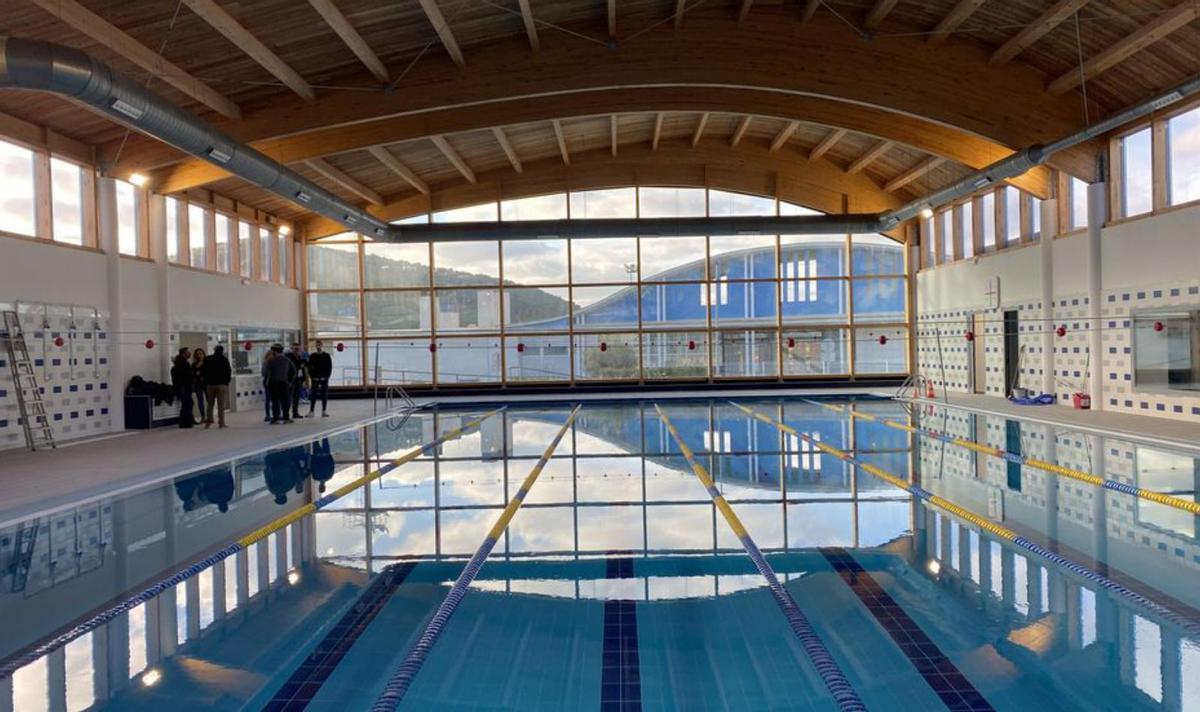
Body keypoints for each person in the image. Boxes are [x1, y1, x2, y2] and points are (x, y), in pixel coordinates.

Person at [264, 343, 296, 424]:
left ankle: (276, 419)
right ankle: (286, 418)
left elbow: (266, 372)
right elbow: (293, 371)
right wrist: (289, 381)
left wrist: (267, 382)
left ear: (274, 351)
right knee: (285, 401)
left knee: (275, 401)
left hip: (273, 383)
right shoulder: (287, 360)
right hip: (284, 383)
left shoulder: (270, 360)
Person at [201, 344, 232, 429]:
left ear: (214, 350)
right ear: (222, 351)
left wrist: (206, 381)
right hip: (221, 385)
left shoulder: (208, 359)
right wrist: (226, 383)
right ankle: (221, 423)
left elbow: (203, 371)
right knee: (221, 405)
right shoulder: (224, 360)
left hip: (210, 385)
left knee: (210, 404)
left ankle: (209, 421)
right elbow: (228, 372)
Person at [308, 340, 333, 418]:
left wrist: (326, 377)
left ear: (322, 345)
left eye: (319, 345)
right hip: (315, 378)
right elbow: (310, 367)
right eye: (317, 345)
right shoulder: (312, 356)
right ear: (315, 346)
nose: (318, 346)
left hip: (324, 378)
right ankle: (311, 411)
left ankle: (324, 410)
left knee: (324, 394)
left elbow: (329, 367)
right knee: (313, 395)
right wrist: (312, 377)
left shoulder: (326, 356)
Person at [171, 348, 195, 429]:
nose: (190, 353)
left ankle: (186, 421)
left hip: (183, 387)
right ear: (184, 353)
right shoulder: (183, 364)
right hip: (184, 387)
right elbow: (185, 377)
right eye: (188, 352)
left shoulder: (180, 364)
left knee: (188, 403)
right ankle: (185, 422)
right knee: (187, 404)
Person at [286, 343, 308, 420]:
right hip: (291, 380)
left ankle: (295, 412)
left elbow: (303, 368)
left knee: (296, 397)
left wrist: (304, 379)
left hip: (299, 379)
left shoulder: (300, 357)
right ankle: (286, 414)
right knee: (289, 397)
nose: (297, 350)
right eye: (295, 349)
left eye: (298, 349)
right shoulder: (288, 357)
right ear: (292, 349)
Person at [191, 348, 207, 424]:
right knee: (200, 401)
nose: (199, 355)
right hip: (198, 385)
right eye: (198, 354)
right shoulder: (194, 364)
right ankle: (203, 417)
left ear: (203, 354)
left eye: (201, 353)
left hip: (206, 384)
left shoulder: (207, 363)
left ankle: (210, 416)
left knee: (209, 400)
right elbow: (192, 374)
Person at [261, 349, 274, 423]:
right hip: (268, 382)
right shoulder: (266, 362)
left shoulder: (268, 362)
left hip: (270, 381)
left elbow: (263, 373)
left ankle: (270, 414)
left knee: (270, 399)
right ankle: (268, 415)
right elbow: (263, 373)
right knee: (269, 399)